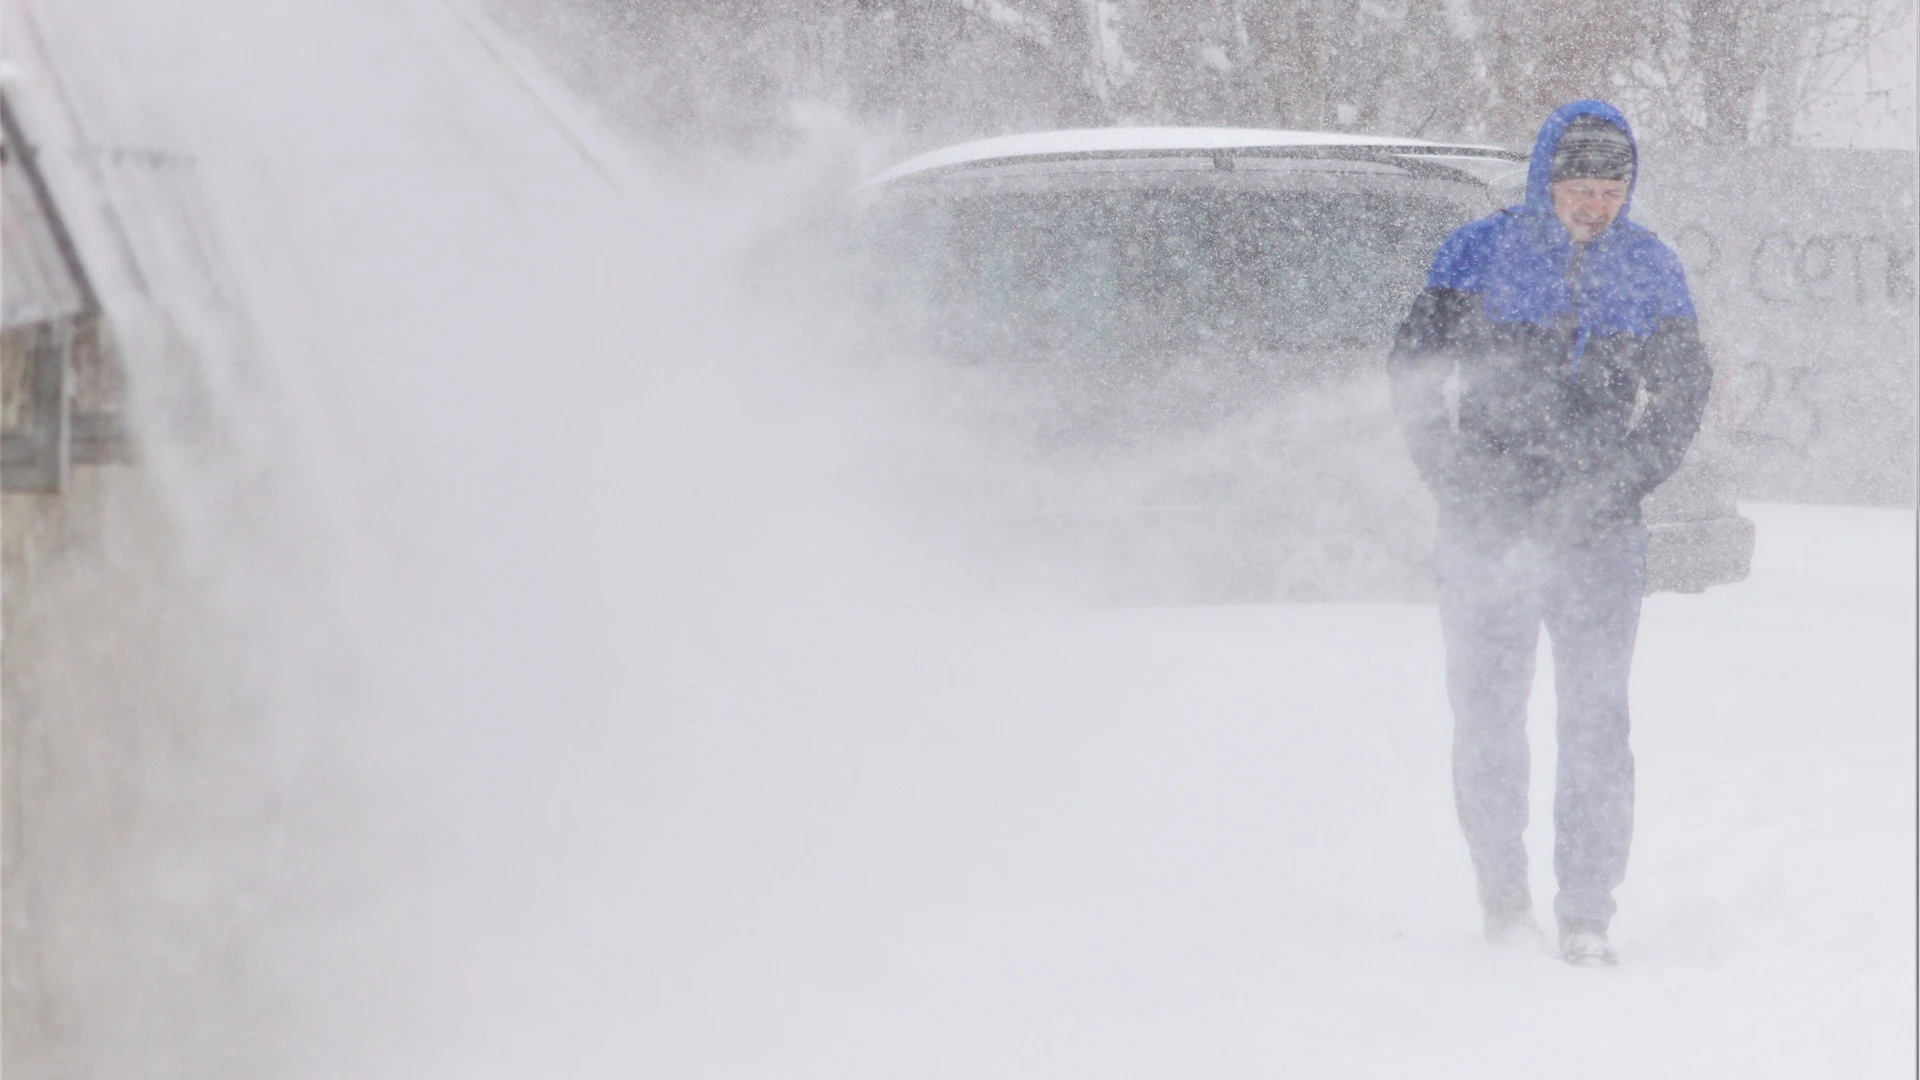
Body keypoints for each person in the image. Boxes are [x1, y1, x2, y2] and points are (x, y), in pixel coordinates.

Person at [1387, 101, 1711, 966]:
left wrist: (1624, 478)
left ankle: (1586, 912)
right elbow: (1413, 372)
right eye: (1582, 187)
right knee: (1488, 714)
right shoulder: (1478, 253)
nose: (1596, 205)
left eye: (1613, 189)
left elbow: (1684, 394)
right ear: (1547, 179)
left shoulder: (1652, 270)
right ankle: (1501, 899)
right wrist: (1455, 477)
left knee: (1596, 721)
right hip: (1485, 528)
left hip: (1598, 535)